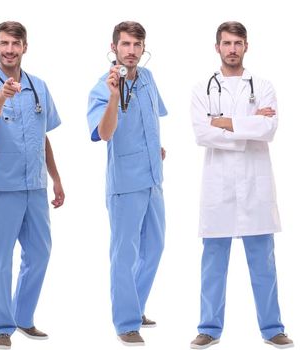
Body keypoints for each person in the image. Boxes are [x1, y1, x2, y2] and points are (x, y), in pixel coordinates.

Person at [188, 21, 293, 349]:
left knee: (263, 263)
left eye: (237, 43)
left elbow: (268, 130)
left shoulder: (263, 85)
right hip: (218, 188)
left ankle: (272, 328)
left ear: (246, 46)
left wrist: (225, 124)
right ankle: (208, 327)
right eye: (226, 43)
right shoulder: (202, 87)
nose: (232, 49)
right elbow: (202, 134)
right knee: (213, 265)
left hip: (255, 187)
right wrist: (248, 125)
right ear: (217, 47)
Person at [0, 21, 64, 350]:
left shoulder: (39, 87)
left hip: (36, 187)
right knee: (0, 260)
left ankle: (23, 317)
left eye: (15, 43)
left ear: (25, 47)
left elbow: (43, 137)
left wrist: (56, 180)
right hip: (3, 188)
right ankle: (0, 326)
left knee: (40, 253)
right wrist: (2, 94)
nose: (10, 49)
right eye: (4, 44)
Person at [87, 21, 166, 347]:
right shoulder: (102, 87)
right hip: (125, 184)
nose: (131, 51)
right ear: (114, 47)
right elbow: (104, 134)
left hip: (152, 178)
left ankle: (135, 306)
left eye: (137, 45)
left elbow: (152, 117)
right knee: (124, 254)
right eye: (125, 45)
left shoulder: (147, 79)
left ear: (143, 48)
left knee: (155, 247)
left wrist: (155, 147)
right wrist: (113, 96)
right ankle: (125, 322)